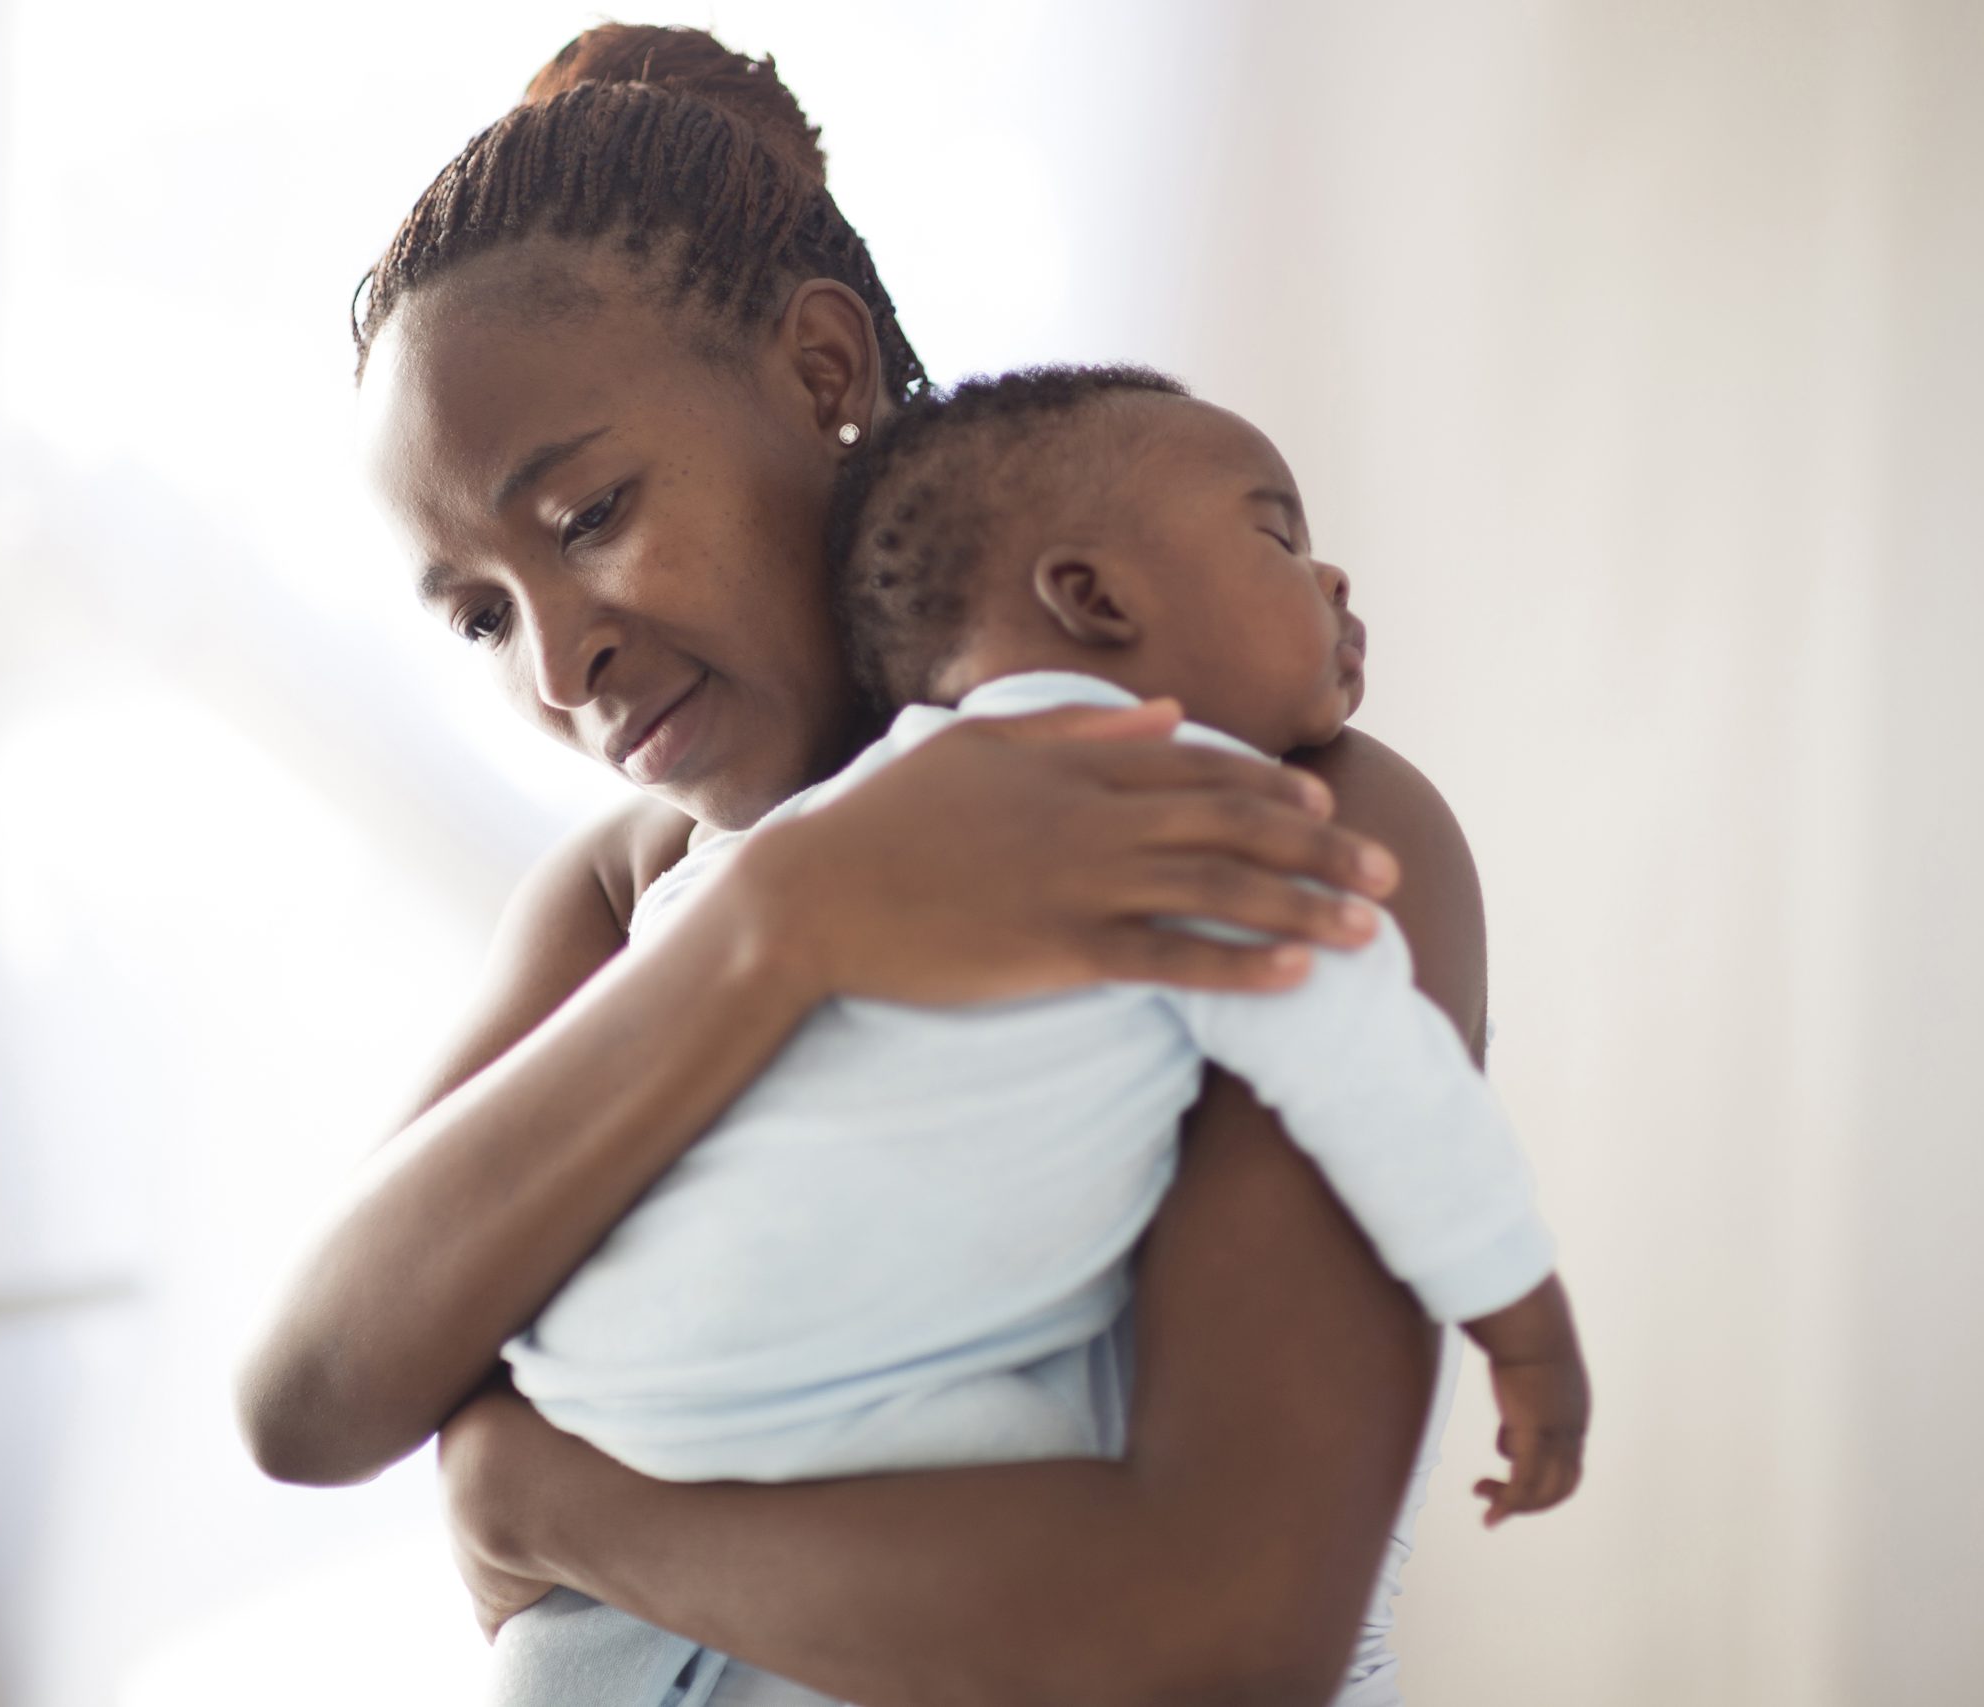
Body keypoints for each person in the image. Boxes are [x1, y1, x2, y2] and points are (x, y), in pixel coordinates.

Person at [235, 23, 1578, 1707]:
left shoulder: (1274, 810)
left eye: (585, 518)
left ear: (820, 373)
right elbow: (307, 1396)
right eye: (483, 615)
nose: (557, 665)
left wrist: (537, 1497)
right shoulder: (624, 899)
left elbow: (1226, 1634)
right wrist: (782, 928)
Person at [486, 364, 1591, 1703]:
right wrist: (1524, 1326)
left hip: (593, 1408)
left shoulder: (780, 856)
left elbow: (367, 1415)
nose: (1335, 581)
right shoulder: (1189, 813)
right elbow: (1386, 1087)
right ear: (1094, 598)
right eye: (1279, 536)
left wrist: (510, 1488)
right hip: (826, 1449)